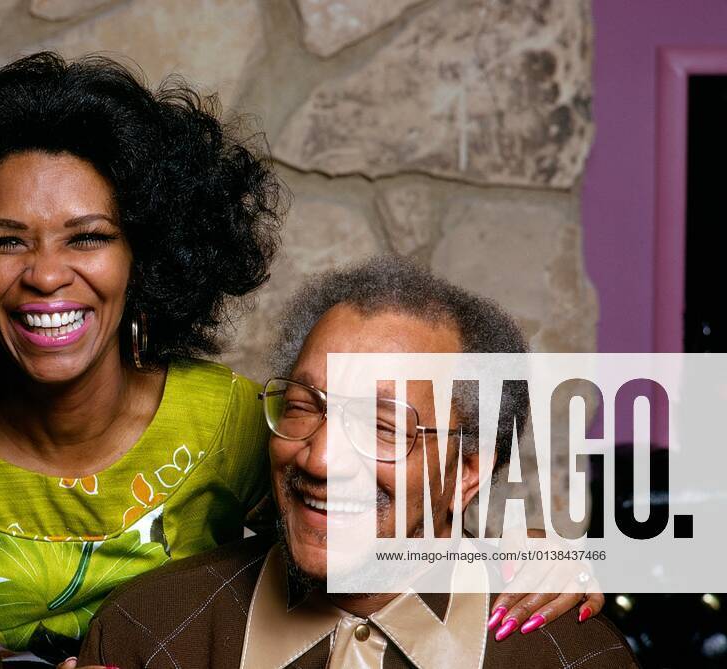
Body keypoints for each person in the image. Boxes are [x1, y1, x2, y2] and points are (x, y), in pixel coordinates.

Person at [0, 53, 598, 668]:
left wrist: (528, 550)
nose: (45, 273)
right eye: (5, 242)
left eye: (89, 236)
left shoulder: (240, 423)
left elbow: (376, 503)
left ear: (148, 254)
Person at [77, 255, 636, 669]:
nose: (320, 458)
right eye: (303, 406)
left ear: (466, 472)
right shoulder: (148, 631)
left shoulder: (575, 658)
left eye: (383, 426)